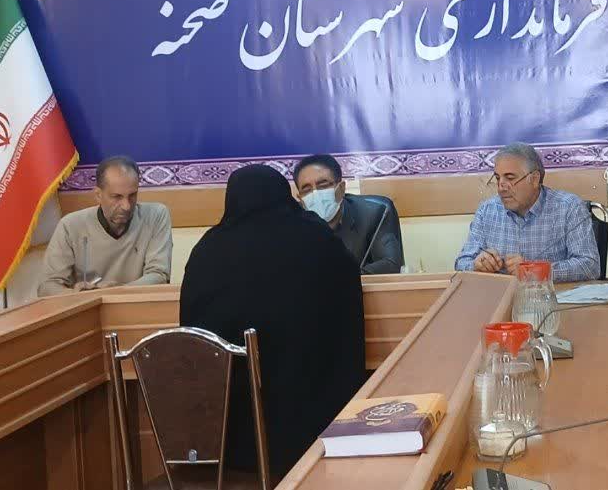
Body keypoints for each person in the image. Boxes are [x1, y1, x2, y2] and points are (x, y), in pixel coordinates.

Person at [181, 164, 364, 481]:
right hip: (314, 433)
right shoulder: (315, 237)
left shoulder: (207, 251)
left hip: (232, 442)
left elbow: (193, 336)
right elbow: (348, 296)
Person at [454, 142, 600, 282]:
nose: (501, 187)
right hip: (501, 296)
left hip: (550, 296)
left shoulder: (569, 208)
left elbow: (590, 266)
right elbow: (462, 262)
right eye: (498, 178)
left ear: (534, 179)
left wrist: (536, 270)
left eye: (510, 178)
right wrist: (476, 265)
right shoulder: (487, 210)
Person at [38, 156, 172, 297]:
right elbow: (47, 286)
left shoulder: (155, 216)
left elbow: (159, 275)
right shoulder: (70, 226)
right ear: (98, 195)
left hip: (136, 305)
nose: (126, 206)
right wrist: (76, 294)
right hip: (87, 306)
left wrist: (118, 291)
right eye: (117, 197)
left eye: (132, 195)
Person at [293, 154, 404, 275]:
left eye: (323, 186)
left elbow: (390, 264)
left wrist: (343, 279)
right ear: (300, 199)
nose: (316, 194)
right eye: (306, 190)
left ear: (341, 188)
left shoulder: (375, 212)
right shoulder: (293, 223)